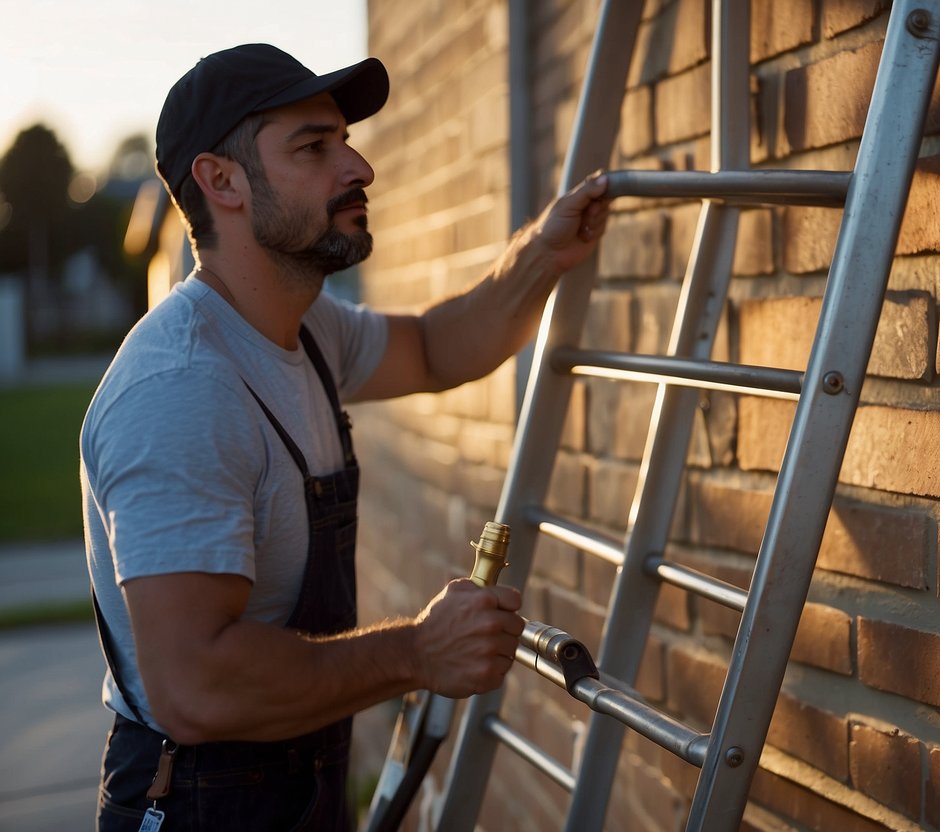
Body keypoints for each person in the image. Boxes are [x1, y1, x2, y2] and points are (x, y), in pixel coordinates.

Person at [81, 43, 610, 831]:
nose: (359, 166)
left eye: (346, 141)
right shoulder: (183, 390)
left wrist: (542, 255)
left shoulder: (305, 330)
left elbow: (436, 347)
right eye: (315, 147)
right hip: (201, 800)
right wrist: (415, 652)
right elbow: (197, 686)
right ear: (220, 181)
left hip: (298, 776)